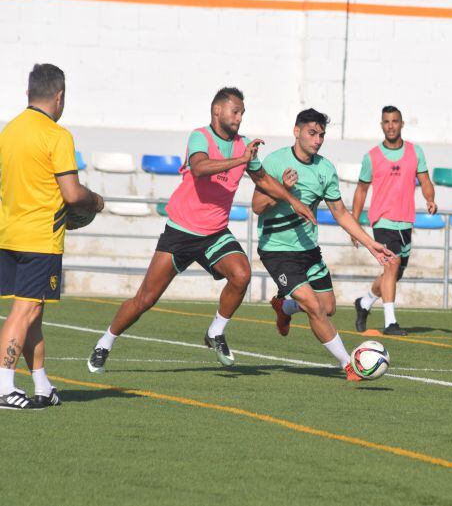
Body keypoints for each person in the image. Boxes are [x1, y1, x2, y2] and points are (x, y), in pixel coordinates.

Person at [87, 87, 314, 373]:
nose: (239, 117)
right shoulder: (200, 136)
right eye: (235, 111)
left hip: (215, 233)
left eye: (243, 113)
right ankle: (104, 343)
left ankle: (216, 331)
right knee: (145, 299)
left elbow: (261, 178)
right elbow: (199, 168)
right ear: (217, 110)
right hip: (181, 231)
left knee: (242, 274)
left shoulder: (242, 146)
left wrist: (293, 201)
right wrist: (241, 160)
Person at [253, 108, 394, 381]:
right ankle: (349, 365)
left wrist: (370, 243)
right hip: (277, 250)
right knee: (314, 307)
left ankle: (283, 307)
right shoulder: (274, 162)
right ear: (297, 131)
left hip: (308, 250)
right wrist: (283, 190)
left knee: (327, 307)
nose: (317, 140)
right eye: (312, 133)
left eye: (321, 135)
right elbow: (257, 207)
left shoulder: (325, 169)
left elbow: (340, 213)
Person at [0, 64, 104, 409]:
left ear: (29, 93)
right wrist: (96, 201)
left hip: (10, 233)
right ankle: (4, 384)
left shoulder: (9, 130)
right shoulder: (57, 135)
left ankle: (42, 385)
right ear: (59, 97)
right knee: (24, 310)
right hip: (40, 238)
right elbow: (73, 194)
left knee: (34, 312)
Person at [351, 105, 437, 336]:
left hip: (406, 221)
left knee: (394, 273)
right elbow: (361, 190)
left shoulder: (415, 152)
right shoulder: (372, 156)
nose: (391, 125)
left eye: (395, 121)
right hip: (382, 221)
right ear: (382, 125)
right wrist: (354, 223)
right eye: (387, 121)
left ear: (401, 124)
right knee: (391, 266)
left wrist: (430, 199)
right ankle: (390, 322)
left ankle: (365, 303)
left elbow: (425, 180)